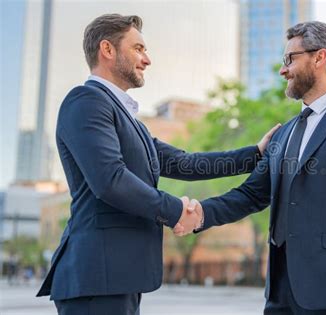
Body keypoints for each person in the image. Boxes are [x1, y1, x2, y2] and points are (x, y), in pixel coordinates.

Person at [36, 14, 279, 315]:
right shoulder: (86, 101)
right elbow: (110, 180)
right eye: (138, 48)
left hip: (118, 276)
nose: (147, 59)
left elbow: (185, 164)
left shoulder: (129, 122)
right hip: (96, 277)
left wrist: (255, 153)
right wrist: (178, 212)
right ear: (107, 50)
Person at [181, 21, 326, 315]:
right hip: (280, 295)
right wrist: (199, 214)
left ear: (319, 58)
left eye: (290, 59)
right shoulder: (283, 134)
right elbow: (250, 195)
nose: (283, 70)